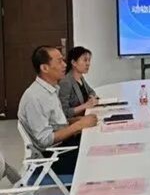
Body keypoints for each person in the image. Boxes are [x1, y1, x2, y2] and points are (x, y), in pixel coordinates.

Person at [18, 46, 97, 174]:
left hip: (64, 144)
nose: (65, 65)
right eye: (59, 61)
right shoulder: (35, 97)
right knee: (95, 154)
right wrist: (78, 125)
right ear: (45, 68)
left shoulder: (51, 90)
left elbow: (57, 123)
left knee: (96, 137)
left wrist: (78, 120)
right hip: (53, 155)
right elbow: (45, 140)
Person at [59, 46, 98, 118]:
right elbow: (64, 112)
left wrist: (91, 98)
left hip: (85, 116)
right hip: (75, 121)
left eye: (89, 60)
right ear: (74, 62)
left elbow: (91, 91)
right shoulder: (66, 82)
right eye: (85, 60)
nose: (88, 63)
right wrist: (85, 105)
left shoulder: (80, 77)